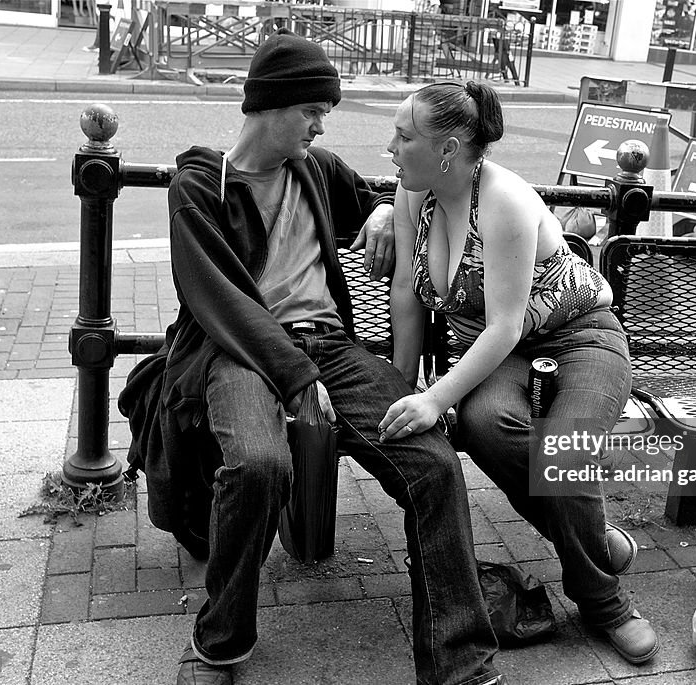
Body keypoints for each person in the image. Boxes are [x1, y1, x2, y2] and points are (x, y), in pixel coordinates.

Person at [144, 33, 504, 685]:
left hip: (331, 348)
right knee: (258, 465)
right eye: (312, 110)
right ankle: (220, 638)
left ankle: (459, 660)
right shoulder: (200, 184)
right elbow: (218, 298)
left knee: (433, 464)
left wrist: (375, 216)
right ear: (272, 105)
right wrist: (297, 376)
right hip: (242, 354)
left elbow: (373, 199)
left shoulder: (316, 168)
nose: (320, 124)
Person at [380, 81, 659, 665]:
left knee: (564, 449)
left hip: (583, 337)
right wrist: (402, 384)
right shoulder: (413, 194)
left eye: (404, 138)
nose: (390, 147)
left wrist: (434, 399)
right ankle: (591, 539)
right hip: (505, 352)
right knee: (483, 423)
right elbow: (407, 293)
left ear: (450, 149)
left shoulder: (503, 200)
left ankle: (600, 597)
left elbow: (503, 324)